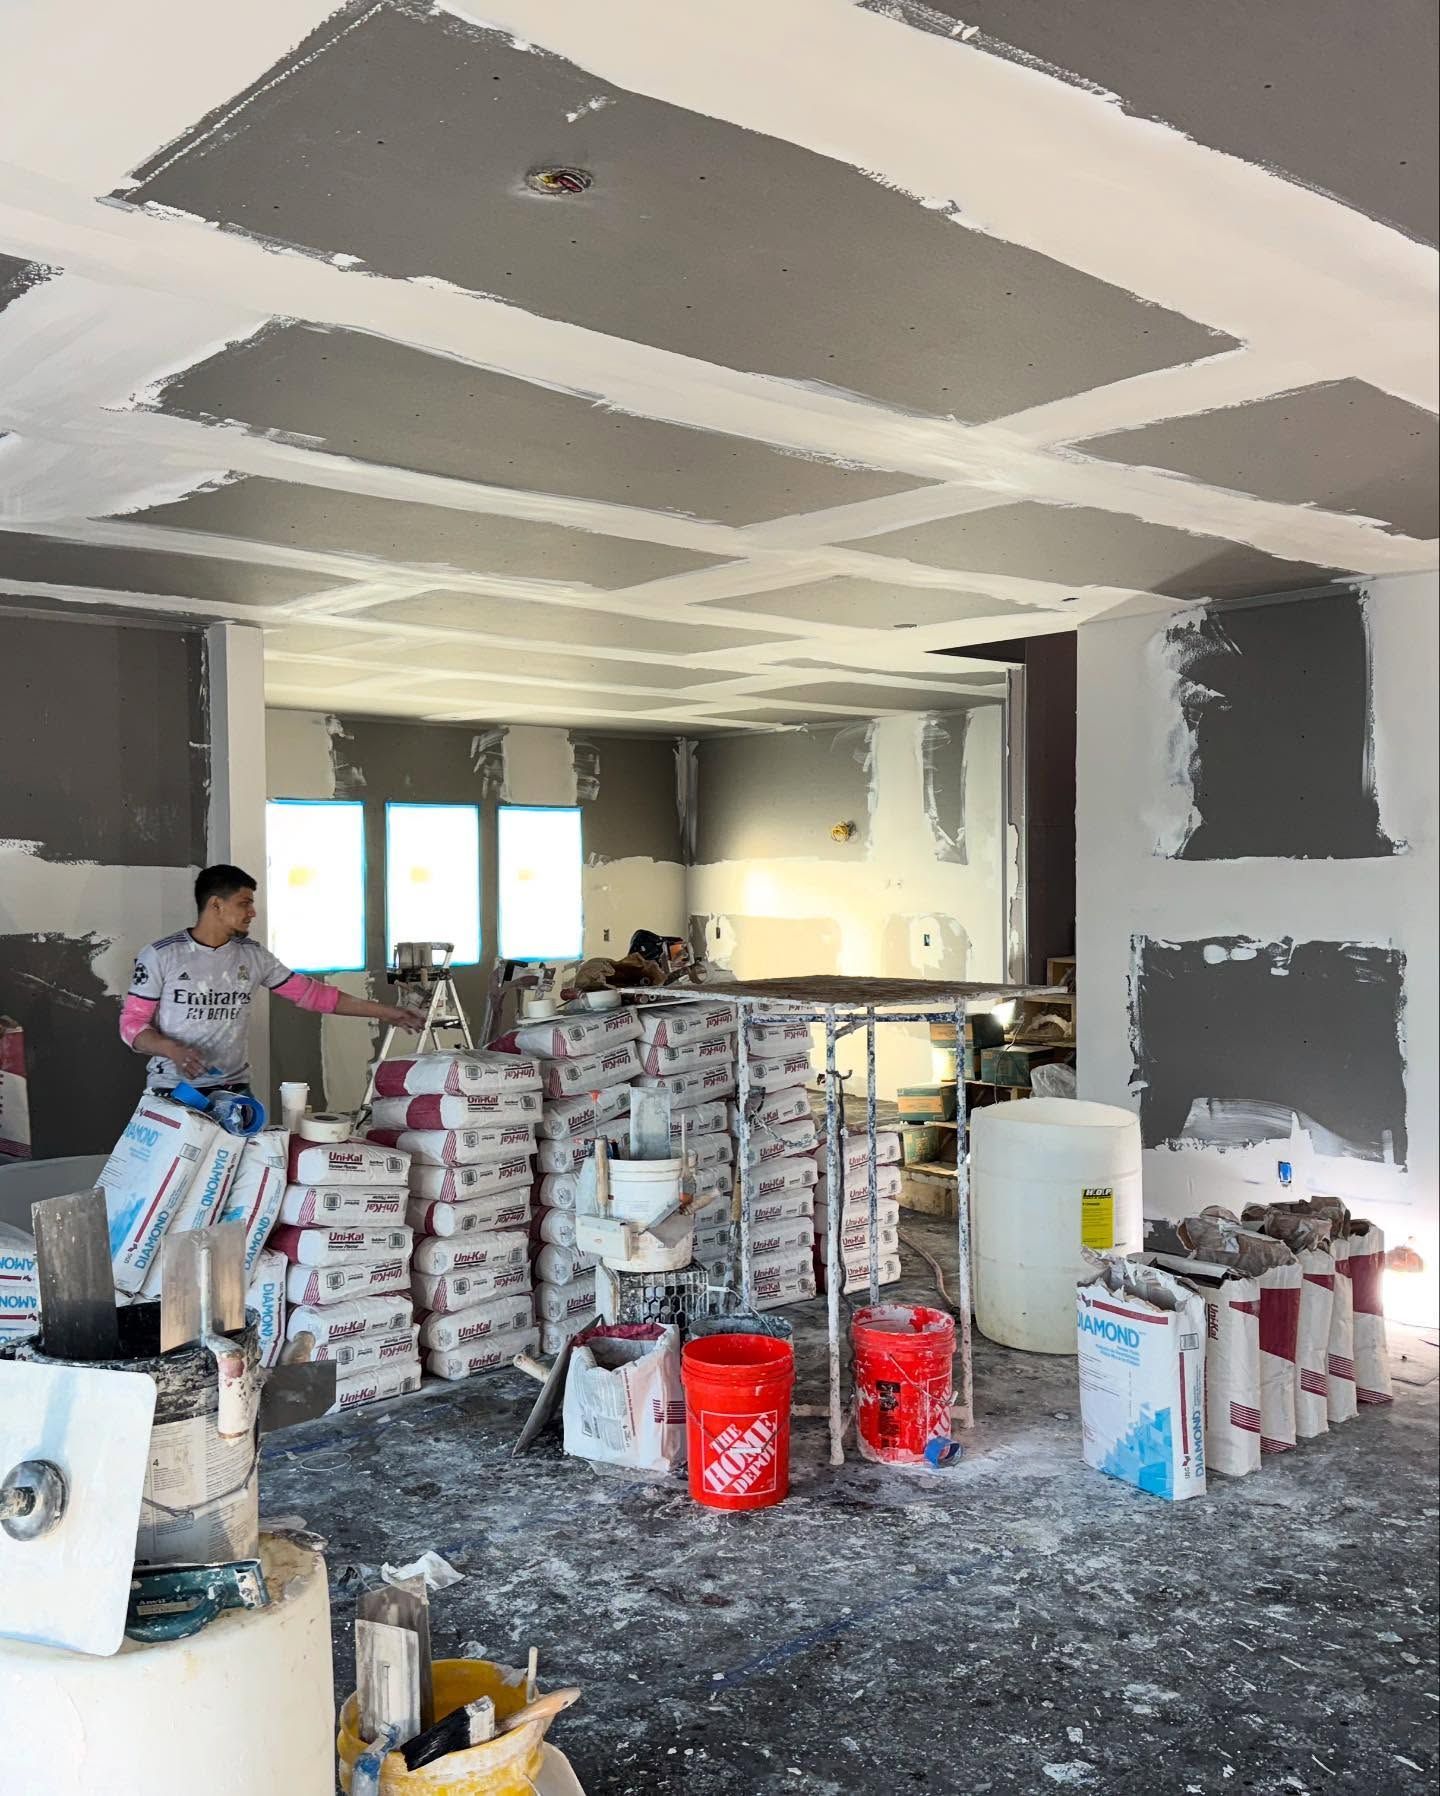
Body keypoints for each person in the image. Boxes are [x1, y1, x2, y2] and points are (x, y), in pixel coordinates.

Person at [120, 863, 419, 1095]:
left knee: (245, 1175)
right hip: (174, 1089)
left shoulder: (254, 956)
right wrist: (172, 1050)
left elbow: (314, 995)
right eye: (244, 903)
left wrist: (388, 1013)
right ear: (215, 905)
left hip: (234, 1091)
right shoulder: (162, 955)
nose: (252, 912)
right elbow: (132, 1024)